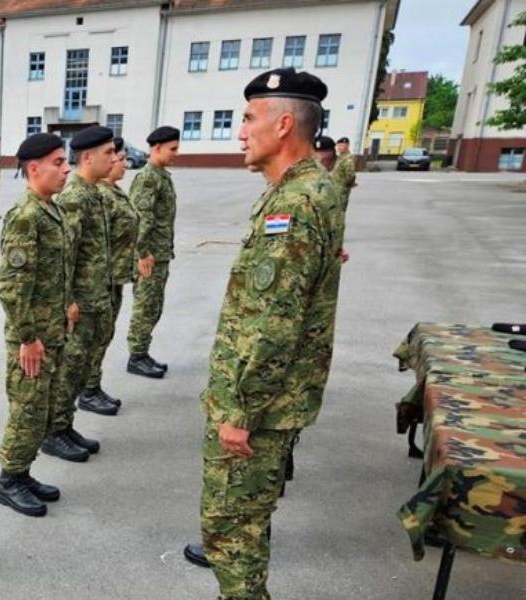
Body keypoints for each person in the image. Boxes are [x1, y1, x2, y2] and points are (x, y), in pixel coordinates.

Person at [184, 67, 343, 600]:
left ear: (282, 126)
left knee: (232, 533)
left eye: (247, 118)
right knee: (247, 522)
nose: (239, 131)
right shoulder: (309, 189)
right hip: (278, 400)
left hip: (258, 407)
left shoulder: (294, 205)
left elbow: (274, 324)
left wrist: (239, 412)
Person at [0, 132, 74, 518]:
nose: (66, 169)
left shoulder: (51, 210)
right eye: (58, 163)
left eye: (65, 161)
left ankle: (22, 473)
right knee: (27, 410)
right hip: (32, 339)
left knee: (42, 409)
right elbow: (11, 286)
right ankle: (9, 480)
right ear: (34, 168)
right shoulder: (26, 217)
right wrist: (27, 338)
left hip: (51, 333)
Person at [42, 125, 118, 466]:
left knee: (82, 365)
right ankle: (54, 432)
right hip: (80, 303)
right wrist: (69, 300)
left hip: (95, 296)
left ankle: (66, 424)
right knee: (70, 368)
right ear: (88, 157)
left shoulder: (93, 193)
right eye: (108, 153)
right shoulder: (74, 197)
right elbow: (65, 255)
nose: (115, 158)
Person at [87, 137, 139, 409]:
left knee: (104, 336)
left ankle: (93, 385)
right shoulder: (102, 196)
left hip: (115, 276)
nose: (123, 165)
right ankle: (89, 389)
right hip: (103, 278)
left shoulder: (113, 192)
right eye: (119, 159)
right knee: (95, 339)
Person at [126, 125, 181, 379]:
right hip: (149, 255)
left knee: (154, 305)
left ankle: (142, 351)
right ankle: (136, 356)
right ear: (157, 148)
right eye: (173, 148)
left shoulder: (161, 175)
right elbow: (140, 218)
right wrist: (142, 252)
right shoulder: (148, 177)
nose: (176, 153)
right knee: (145, 305)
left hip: (160, 253)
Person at [332, 136, 357, 211]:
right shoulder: (341, 157)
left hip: (341, 190)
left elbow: (351, 175)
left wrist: (344, 186)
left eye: (342, 145)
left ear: (348, 146)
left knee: (340, 210)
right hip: (336, 189)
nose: (339, 147)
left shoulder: (348, 159)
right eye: (338, 145)